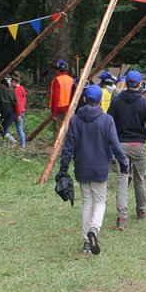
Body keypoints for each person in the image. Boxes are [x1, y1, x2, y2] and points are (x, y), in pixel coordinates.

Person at [56, 85, 129, 255]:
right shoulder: (107, 120)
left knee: (87, 202)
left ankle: (86, 243)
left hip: (81, 167)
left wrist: (63, 169)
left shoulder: (75, 120)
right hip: (99, 168)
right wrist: (124, 164)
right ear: (100, 101)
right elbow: (116, 146)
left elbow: (68, 148)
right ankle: (94, 230)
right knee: (100, 201)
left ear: (84, 99)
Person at [108, 70, 146, 230]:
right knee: (139, 179)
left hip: (121, 144)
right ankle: (141, 211)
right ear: (139, 84)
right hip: (139, 145)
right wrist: (143, 134)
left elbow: (109, 121)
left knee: (122, 180)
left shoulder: (116, 101)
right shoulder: (144, 102)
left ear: (126, 83)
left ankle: (122, 218)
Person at [49, 60, 75, 137]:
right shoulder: (71, 80)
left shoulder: (56, 80)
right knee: (69, 131)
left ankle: (59, 149)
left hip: (59, 111)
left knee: (58, 132)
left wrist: (54, 114)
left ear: (57, 70)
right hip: (70, 109)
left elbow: (55, 98)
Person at [0, 75, 19, 143]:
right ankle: (5, 142)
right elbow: (15, 100)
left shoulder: (0, 87)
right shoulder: (12, 89)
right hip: (11, 109)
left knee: (0, 127)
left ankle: (11, 140)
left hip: (2, 108)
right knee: (5, 126)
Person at [12, 71, 28, 148]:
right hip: (22, 111)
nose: (11, 83)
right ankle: (23, 144)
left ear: (14, 81)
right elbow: (24, 100)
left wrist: (18, 114)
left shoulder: (16, 90)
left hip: (18, 112)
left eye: (12, 81)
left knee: (19, 129)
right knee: (20, 128)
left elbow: (17, 103)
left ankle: (22, 145)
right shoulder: (22, 88)